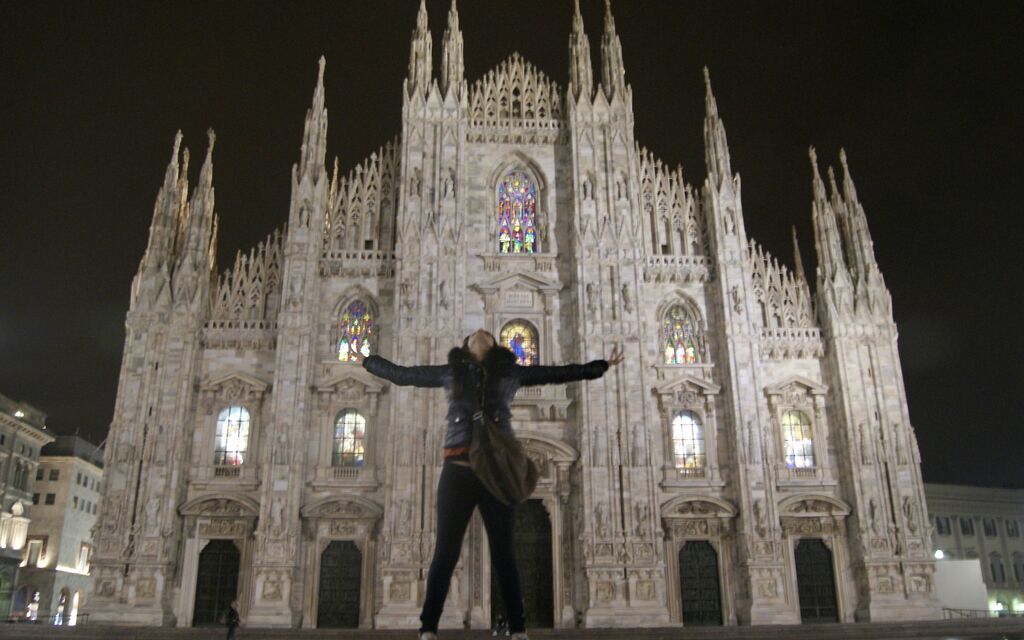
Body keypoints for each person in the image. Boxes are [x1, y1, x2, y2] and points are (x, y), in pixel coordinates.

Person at [360, 329, 623, 640]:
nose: (480, 334)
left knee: (504, 554)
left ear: (493, 345)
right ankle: (428, 627)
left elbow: (556, 373)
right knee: (445, 551)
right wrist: (368, 361)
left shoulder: (510, 374)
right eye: (474, 335)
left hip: (496, 472)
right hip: (458, 468)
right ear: (467, 346)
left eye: (485, 334)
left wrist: (600, 366)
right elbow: (404, 375)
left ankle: (518, 628)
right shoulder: (451, 373)